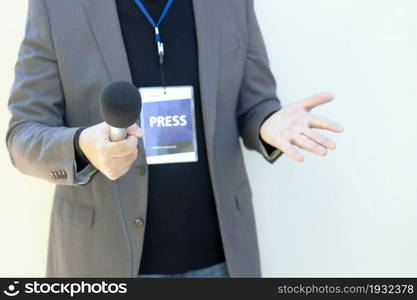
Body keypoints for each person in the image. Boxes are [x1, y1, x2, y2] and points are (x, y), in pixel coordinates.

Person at [6, 0, 343, 278]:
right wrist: (82, 147)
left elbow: (255, 105)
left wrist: (267, 123)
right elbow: (24, 134)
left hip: (221, 261)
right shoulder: (56, 7)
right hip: (103, 261)